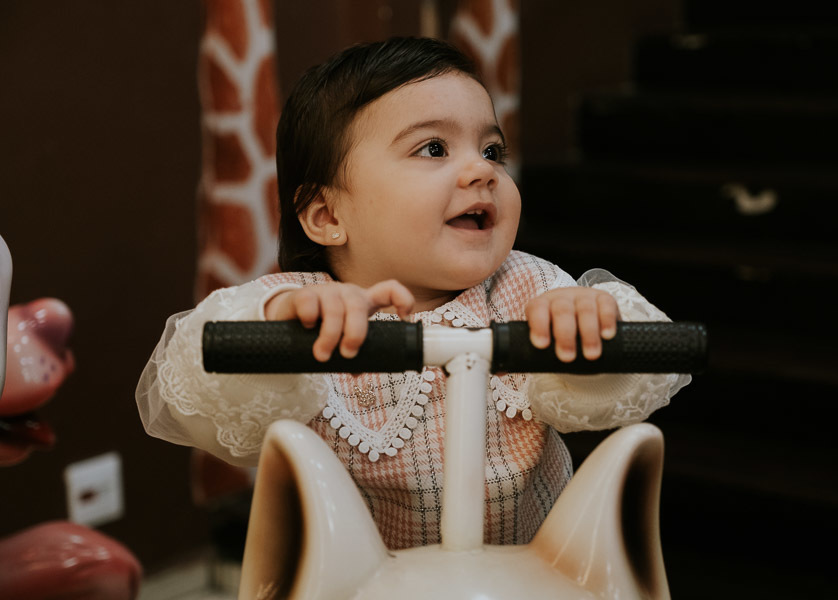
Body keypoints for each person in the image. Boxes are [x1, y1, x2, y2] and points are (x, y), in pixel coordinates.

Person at [136, 37, 690, 550]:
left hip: (522, 568)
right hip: (349, 578)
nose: (481, 170)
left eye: (492, 150)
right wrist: (278, 327)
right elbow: (196, 376)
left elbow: (629, 383)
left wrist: (590, 324)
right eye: (433, 148)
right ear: (328, 215)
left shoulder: (527, 289)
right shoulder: (305, 308)